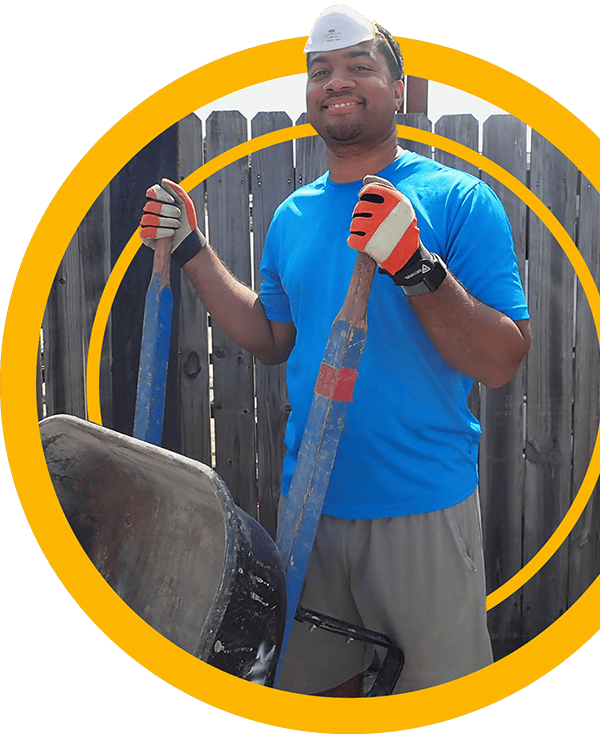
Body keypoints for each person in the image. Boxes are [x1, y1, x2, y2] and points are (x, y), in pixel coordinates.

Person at [139, 4, 531, 696]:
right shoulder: (292, 216)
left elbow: (501, 359)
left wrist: (418, 269)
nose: (335, 81)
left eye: (358, 66)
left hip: (423, 512)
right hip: (309, 509)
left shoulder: (458, 199)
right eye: (320, 71)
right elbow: (271, 337)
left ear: (397, 90)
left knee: (438, 704)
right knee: (308, 698)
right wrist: (195, 252)